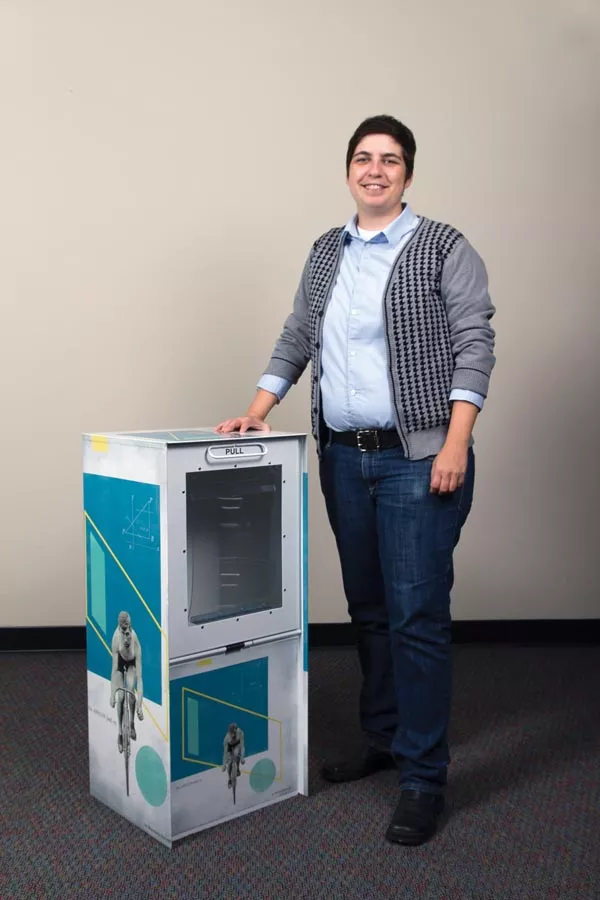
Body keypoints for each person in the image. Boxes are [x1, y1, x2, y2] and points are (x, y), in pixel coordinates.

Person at [216, 114, 496, 845]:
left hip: (418, 459)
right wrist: (256, 410)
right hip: (344, 456)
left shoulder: (444, 247)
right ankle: (384, 738)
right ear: (348, 171)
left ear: (408, 174)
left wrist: (455, 443)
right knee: (368, 609)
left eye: (391, 159)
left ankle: (423, 778)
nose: (376, 170)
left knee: (415, 617)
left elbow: (475, 343)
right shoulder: (325, 251)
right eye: (364, 158)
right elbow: (298, 334)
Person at [109, 611, 144, 752]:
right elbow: (114, 669)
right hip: (120, 663)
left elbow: (139, 679)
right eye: (124, 632)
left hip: (131, 665)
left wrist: (140, 705)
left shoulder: (135, 642)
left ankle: (131, 723)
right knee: (121, 696)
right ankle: (119, 732)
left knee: (130, 694)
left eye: (128, 630)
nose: (127, 638)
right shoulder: (116, 639)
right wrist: (112, 694)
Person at [222, 723, 245, 787]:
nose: (234, 735)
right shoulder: (226, 739)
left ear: (237, 730)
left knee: (237, 753)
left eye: (235, 733)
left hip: (237, 745)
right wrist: (224, 765)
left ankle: (237, 768)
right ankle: (229, 778)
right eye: (232, 733)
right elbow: (225, 754)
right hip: (229, 747)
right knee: (229, 763)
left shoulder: (240, 732)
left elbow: (242, 746)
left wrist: (242, 758)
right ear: (230, 732)